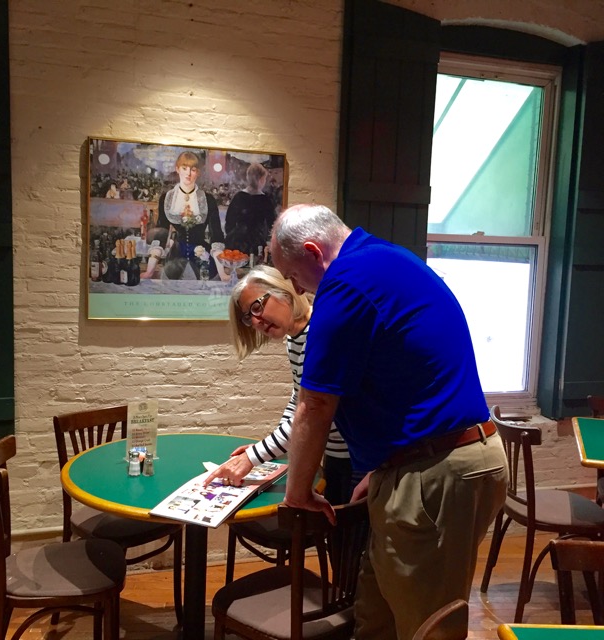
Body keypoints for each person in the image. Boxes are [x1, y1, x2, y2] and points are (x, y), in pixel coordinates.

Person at [269, 204, 508, 640]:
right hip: (440, 458)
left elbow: (315, 405)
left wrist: (298, 493)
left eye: (292, 274)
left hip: (435, 470)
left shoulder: (344, 283)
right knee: (376, 612)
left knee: (427, 627)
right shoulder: (387, 259)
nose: (295, 286)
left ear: (314, 252)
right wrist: (384, 468)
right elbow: (409, 380)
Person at [203, 265, 355, 506]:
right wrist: (270, 445)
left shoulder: (319, 332)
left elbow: (313, 411)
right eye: (248, 317)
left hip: (357, 457)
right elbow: (299, 398)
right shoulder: (294, 338)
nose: (255, 321)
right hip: (335, 454)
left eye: (257, 307)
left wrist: (253, 456)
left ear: (283, 291)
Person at [142, 151, 224, 280]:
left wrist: (223, 273)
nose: (188, 173)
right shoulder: (167, 198)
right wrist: (149, 271)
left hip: (202, 254)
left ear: (198, 172)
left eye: (193, 169)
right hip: (176, 256)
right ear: (177, 169)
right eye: (184, 168)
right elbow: (161, 234)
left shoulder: (208, 200)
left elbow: (216, 236)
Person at [223, 162, 276, 260]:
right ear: (261, 179)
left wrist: (232, 236)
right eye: (264, 179)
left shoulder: (238, 197)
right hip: (257, 242)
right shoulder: (265, 200)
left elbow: (229, 222)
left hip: (237, 241)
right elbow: (272, 224)